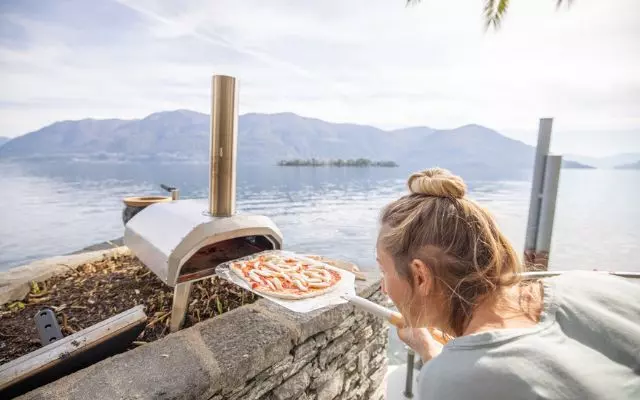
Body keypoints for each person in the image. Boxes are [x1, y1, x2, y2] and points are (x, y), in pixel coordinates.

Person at [376, 167, 640, 399]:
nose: (384, 288)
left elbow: (469, 382)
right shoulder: (587, 283)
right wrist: (428, 347)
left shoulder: (452, 381)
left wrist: (438, 363)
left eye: (383, 269)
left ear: (420, 276)